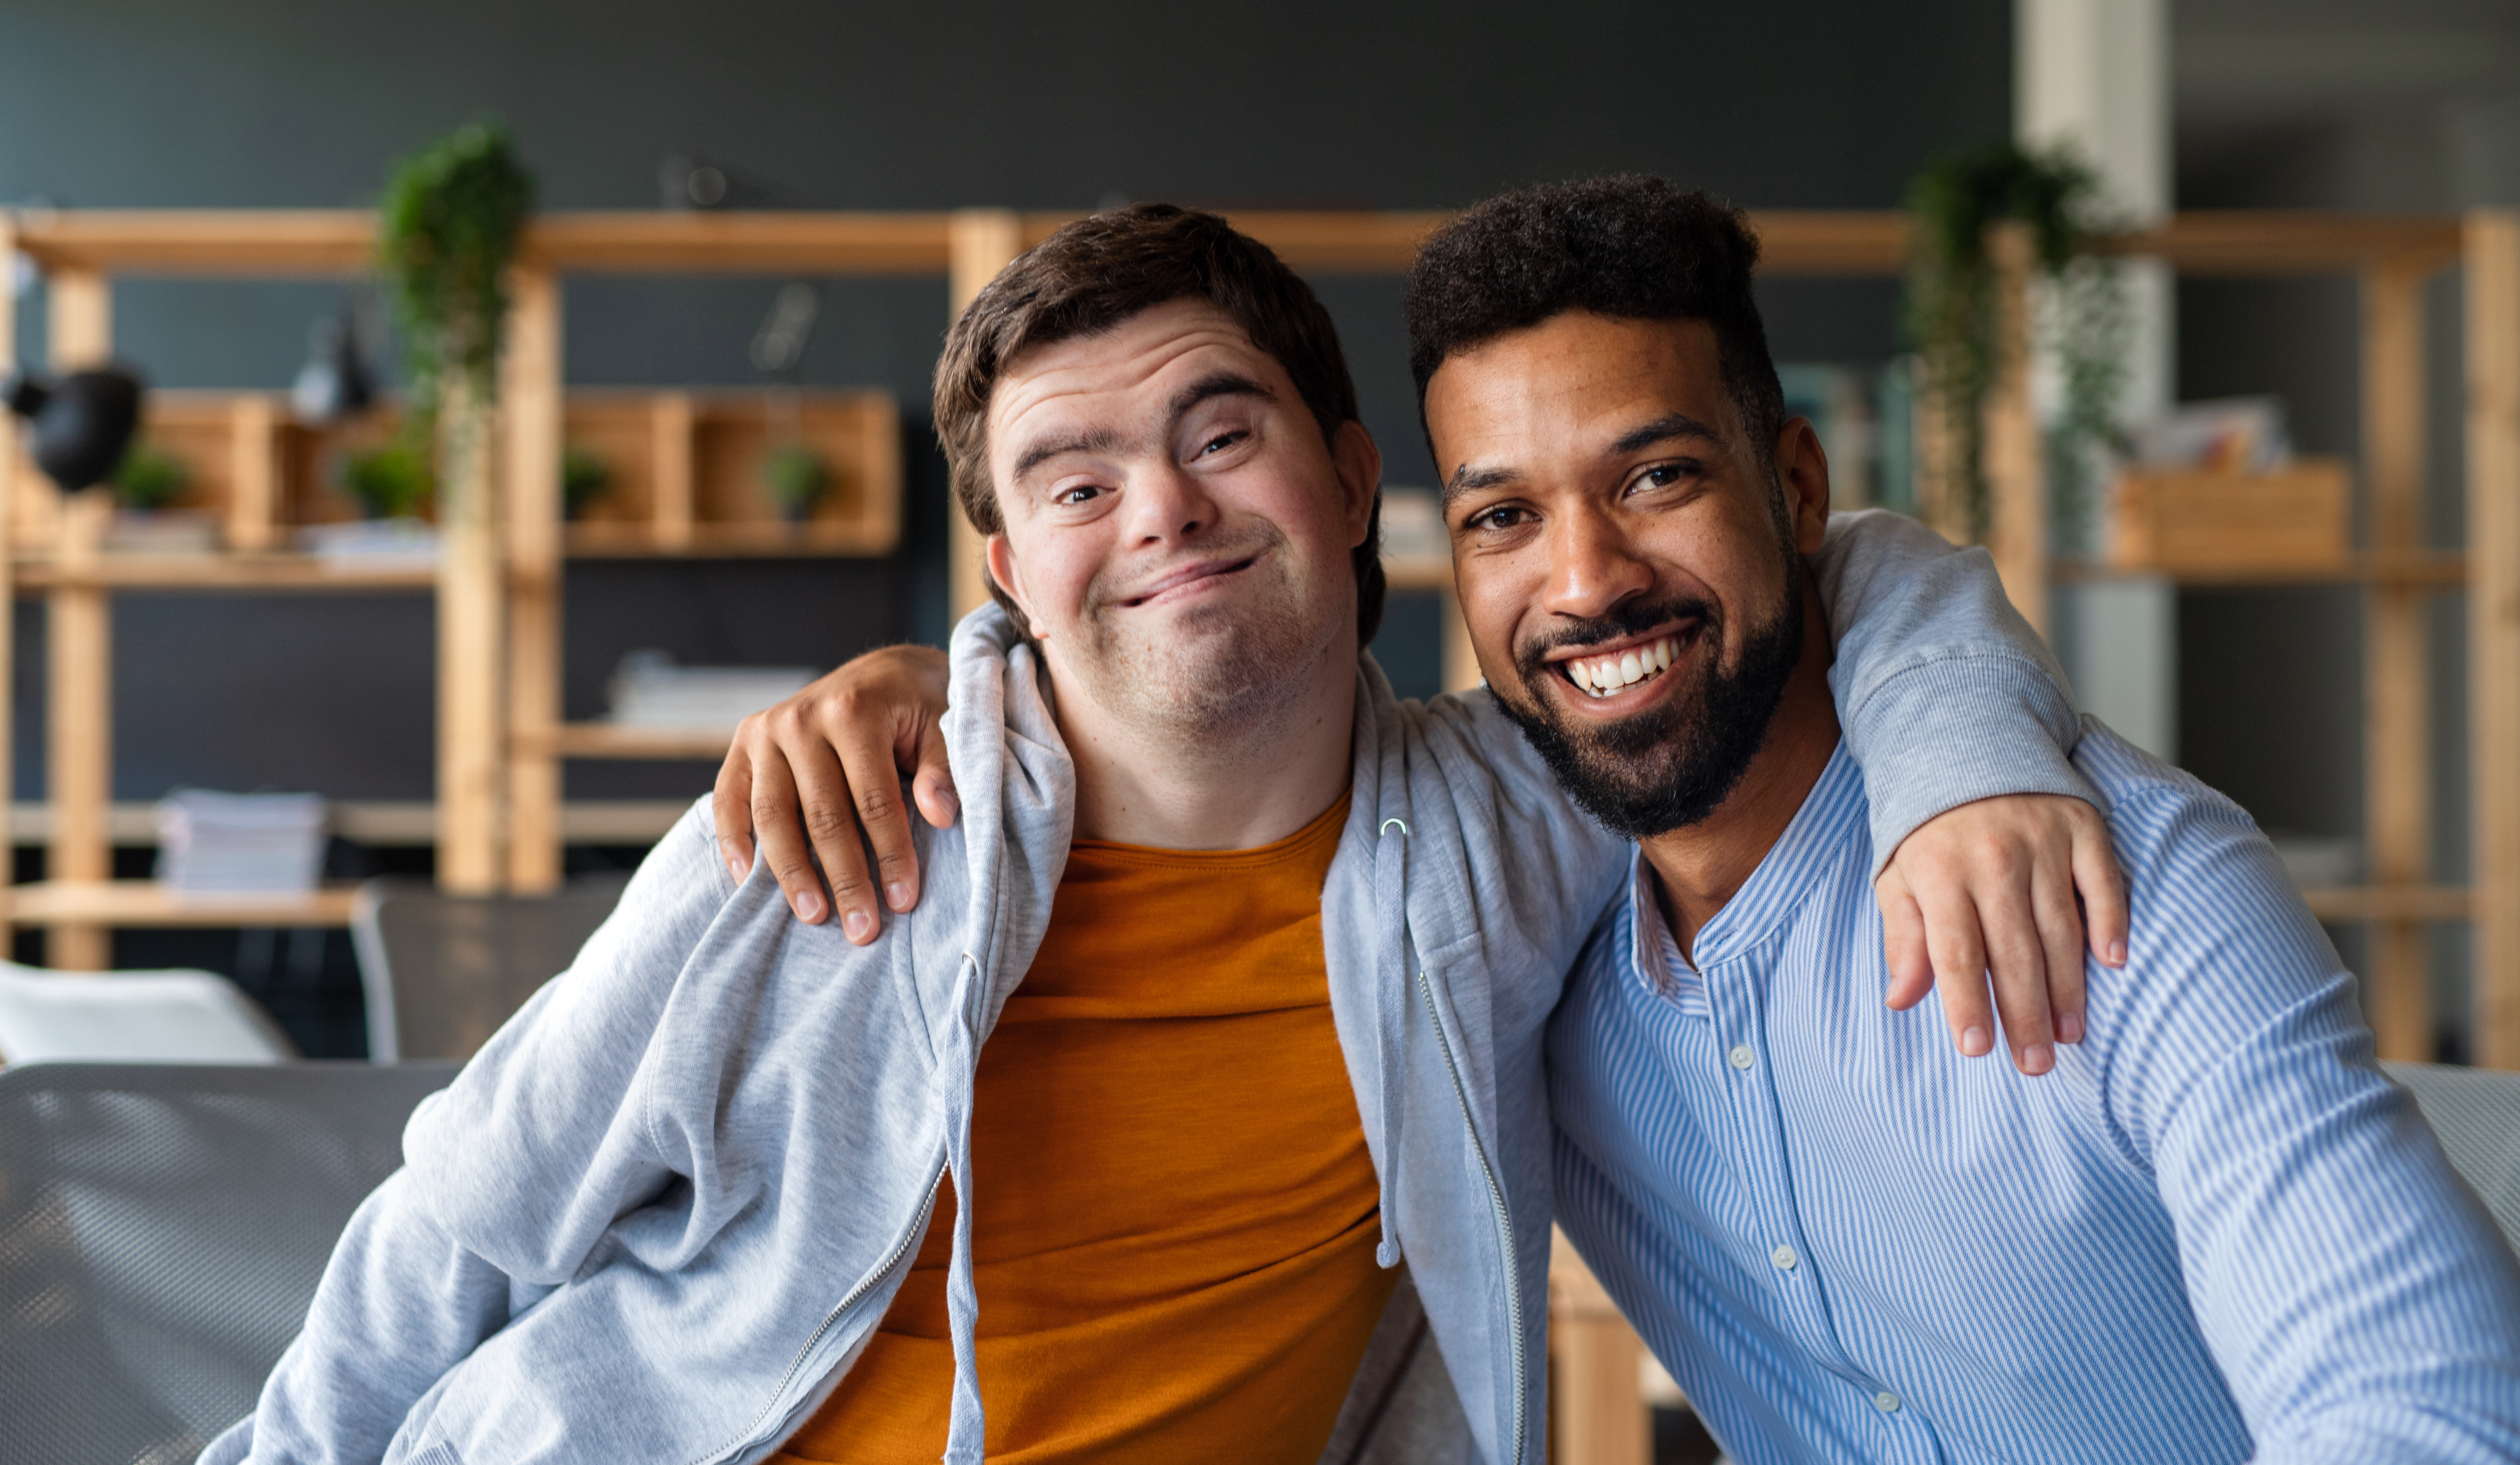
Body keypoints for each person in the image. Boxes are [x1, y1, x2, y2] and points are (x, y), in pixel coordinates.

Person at [213, 200, 2115, 1465]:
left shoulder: (1508, 824)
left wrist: (1962, 765)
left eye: (1220, 435)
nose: (1162, 514)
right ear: (1007, 570)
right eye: (1073, 476)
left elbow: (1828, 563)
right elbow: (457, 1229)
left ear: (1354, 481)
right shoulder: (827, 837)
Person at [735, 178, 2520, 1464]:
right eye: (1504, 516)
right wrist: (945, 674)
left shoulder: (2128, 890)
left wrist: (1969, 738)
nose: (1585, 581)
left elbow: (2423, 1416)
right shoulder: (1515, 915)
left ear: (1793, 483)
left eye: (1656, 476)